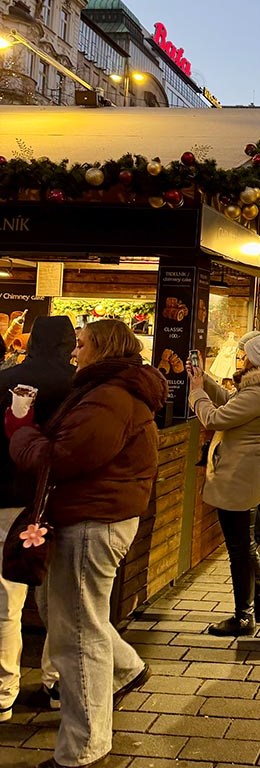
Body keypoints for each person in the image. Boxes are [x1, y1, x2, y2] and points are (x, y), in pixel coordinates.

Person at [7, 318, 167, 768]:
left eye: (81, 345)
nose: (74, 353)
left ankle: (84, 747)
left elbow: (61, 458)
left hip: (92, 522)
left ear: (103, 348)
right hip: (99, 516)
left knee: (77, 636)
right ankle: (127, 669)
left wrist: (20, 431)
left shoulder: (109, 398)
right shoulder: (110, 391)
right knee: (83, 620)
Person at [188, 332, 260, 635]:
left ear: (256, 359)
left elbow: (215, 419)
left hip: (237, 475)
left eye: (245, 355)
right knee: (247, 543)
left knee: (238, 548)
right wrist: (204, 380)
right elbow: (232, 403)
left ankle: (243, 616)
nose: (242, 359)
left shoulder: (258, 393)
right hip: (248, 472)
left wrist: (195, 393)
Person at [0, 316, 75, 721]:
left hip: (6, 502)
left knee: (5, 602)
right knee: (58, 600)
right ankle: (55, 684)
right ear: (68, 344)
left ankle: (2, 693)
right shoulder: (79, 384)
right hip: (55, 503)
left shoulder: (6, 377)